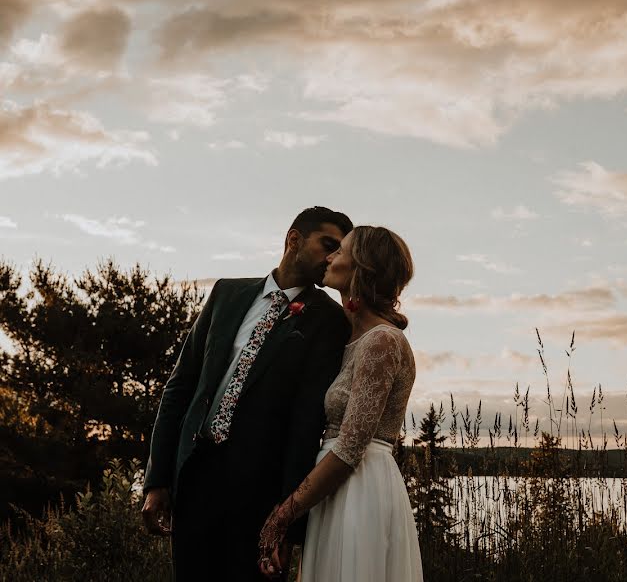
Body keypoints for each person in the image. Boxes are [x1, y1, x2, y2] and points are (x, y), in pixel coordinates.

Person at [141, 206, 354, 581]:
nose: (332, 257)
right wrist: (157, 478)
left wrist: (287, 523)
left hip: (259, 495)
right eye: (327, 244)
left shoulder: (329, 320)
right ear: (294, 239)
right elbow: (180, 387)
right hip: (194, 479)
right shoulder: (227, 293)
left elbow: (306, 424)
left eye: (339, 251)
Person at [257, 225, 423, 582]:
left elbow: (350, 448)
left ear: (362, 267)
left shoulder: (382, 342)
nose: (330, 257)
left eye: (341, 251)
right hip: (334, 490)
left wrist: (283, 514)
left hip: (361, 488)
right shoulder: (349, 339)